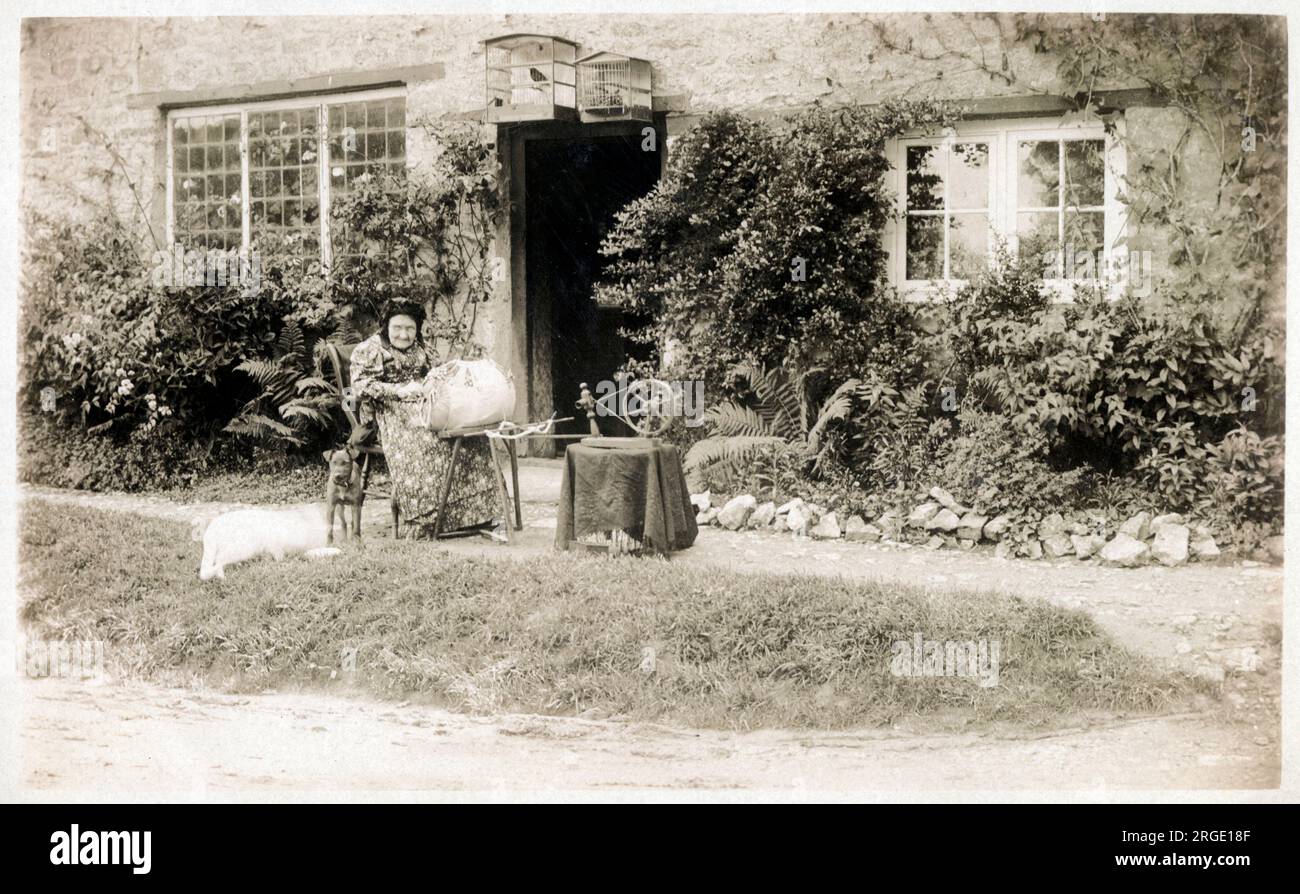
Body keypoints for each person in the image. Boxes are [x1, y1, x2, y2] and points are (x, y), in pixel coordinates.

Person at [350, 300, 502, 537]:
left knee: (467, 434)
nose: (404, 334)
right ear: (385, 326)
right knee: (428, 439)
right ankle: (428, 520)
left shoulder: (422, 347)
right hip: (388, 413)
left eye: (410, 328)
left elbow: (438, 373)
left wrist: (437, 381)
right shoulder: (370, 349)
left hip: (424, 406)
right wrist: (397, 390)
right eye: (397, 327)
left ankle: (474, 515)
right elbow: (360, 386)